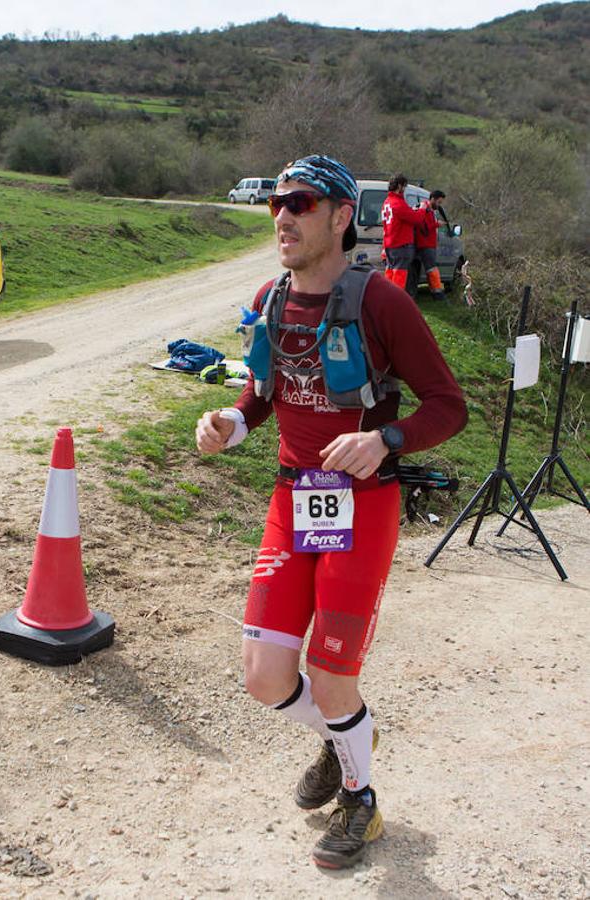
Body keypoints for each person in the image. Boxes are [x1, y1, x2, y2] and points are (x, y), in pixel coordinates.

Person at [195, 155, 466, 868]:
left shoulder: (382, 302)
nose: (282, 215)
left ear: (342, 216)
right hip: (294, 500)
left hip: (362, 508)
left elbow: (448, 404)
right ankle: (348, 736)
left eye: (301, 203)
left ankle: (361, 801)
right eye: (276, 203)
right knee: (264, 676)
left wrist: (385, 439)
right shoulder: (271, 296)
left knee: (335, 674)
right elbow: (259, 391)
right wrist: (231, 420)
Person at [380, 174, 430, 293]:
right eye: (404, 186)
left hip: (389, 245)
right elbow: (416, 219)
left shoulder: (387, 202)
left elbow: (402, 217)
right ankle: (396, 302)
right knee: (399, 276)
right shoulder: (397, 203)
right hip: (400, 245)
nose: (404, 189)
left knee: (389, 274)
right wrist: (422, 209)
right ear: (399, 186)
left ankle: (387, 300)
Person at [414, 190, 449, 301]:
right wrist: (436, 224)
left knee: (429, 269)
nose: (439, 205)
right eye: (438, 202)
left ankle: (436, 292)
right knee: (431, 269)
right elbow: (423, 226)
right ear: (433, 199)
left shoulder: (429, 210)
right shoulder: (425, 209)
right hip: (425, 244)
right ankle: (437, 293)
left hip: (427, 244)